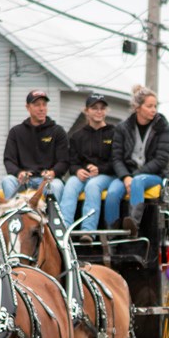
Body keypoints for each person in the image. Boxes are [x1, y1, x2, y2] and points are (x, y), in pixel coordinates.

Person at [110, 84, 169, 232]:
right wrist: (125, 177)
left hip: (153, 175)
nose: (154, 110)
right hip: (128, 176)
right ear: (138, 108)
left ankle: (133, 227)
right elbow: (116, 158)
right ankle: (110, 235)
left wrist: (134, 176)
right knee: (112, 193)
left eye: (155, 106)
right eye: (149, 106)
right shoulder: (122, 128)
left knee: (138, 181)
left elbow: (161, 159)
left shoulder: (162, 126)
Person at [60, 93, 120, 236]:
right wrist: (78, 171)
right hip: (84, 175)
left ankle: (88, 231)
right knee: (70, 185)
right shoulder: (77, 136)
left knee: (93, 186)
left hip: (107, 175)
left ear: (106, 111)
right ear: (86, 111)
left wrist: (100, 169)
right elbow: (72, 162)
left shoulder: (115, 133)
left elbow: (117, 161)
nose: (99, 111)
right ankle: (63, 230)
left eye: (102, 108)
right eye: (94, 108)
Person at [2, 89, 69, 200]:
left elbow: (64, 161)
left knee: (56, 186)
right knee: (7, 180)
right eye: (37, 105)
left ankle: (52, 217)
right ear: (28, 107)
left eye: (44, 104)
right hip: (24, 181)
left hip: (48, 180)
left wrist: (53, 172)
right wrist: (19, 173)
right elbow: (9, 160)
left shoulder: (58, 131)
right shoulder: (16, 132)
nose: (41, 108)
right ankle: (14, 216)